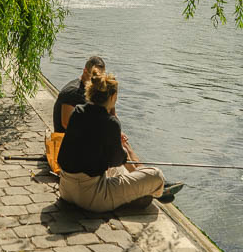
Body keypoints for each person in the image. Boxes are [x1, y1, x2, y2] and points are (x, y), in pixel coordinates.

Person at [57, 67, 178, 211]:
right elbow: (116, 159)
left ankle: (149, 185)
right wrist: (121, 146)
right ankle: (156, 190)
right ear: (113, 97)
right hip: (91, 198)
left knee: (120, 170)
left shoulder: (77, 112)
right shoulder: (110, 122)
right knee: (156, 175)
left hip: (65, 190)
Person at [52, 55, 106, 133]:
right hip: (68, 140)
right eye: (94, 76)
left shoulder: (91, 89)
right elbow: (66, 123)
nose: (97, 80)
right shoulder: (73, 92)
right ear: (85, 71)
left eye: (100, 77)